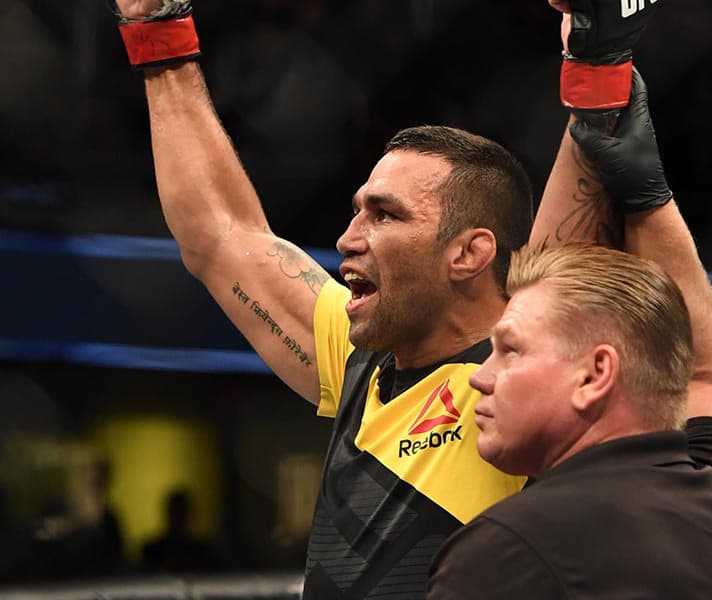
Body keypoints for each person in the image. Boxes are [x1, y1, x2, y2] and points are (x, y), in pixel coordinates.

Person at [110, 0, 654, 596]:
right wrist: (156, 24)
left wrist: (597, 60)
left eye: (384, 215)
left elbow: (568, 244)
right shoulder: (360, 360)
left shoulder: (521, 381)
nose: (348, 238)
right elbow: (219, 236)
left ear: (469, 254)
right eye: (357, 211)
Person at [425, 48, 712, 600]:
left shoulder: (508, 551)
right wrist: (649, 193)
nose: (480, 374)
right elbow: (705, 376)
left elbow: (701, 373)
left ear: (595, 373)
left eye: (511, 350)